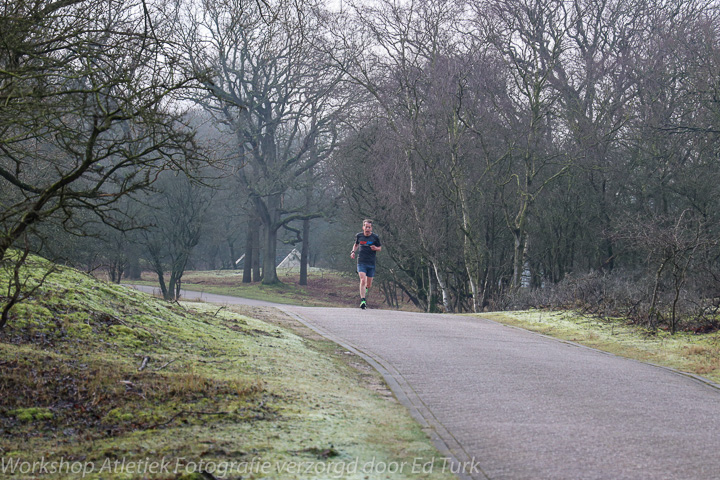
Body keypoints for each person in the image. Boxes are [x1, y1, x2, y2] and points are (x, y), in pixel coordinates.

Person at [350, 219, 382, 309]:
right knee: (362, 280)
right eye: (366, 227)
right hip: (361, 262)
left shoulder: (375, 237)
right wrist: (353, 252)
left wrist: (375, 248)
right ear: (363, 227)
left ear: (371, 228)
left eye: (369, 227)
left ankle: (365, 289)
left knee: (368, 284)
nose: (367, 229)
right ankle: (363, 300)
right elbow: (356, 244)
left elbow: (380, 248)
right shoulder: (359, 236)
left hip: (371, 263)